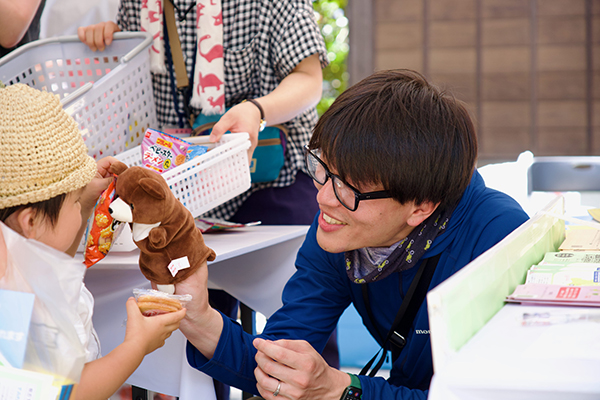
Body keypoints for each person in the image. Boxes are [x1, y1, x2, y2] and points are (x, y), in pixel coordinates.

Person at [173, 69, 530, 399]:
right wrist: (199, 317)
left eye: (351, 188)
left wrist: (343, 389)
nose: (324, 198)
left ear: (422, 206)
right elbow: (278, 363)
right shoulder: (336, 230)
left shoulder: (499, 240)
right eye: (322, 169)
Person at [77, 3, 338, 397]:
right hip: (182, 191)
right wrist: (107, 44)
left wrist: (256, 110)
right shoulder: (137, 5)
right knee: (191, 325)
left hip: (273, 180)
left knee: (307, 311)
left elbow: (309, 80)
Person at [0, 83, 185, 400]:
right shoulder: (11, 304)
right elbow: (64, 393)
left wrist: (83, 205)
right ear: (30, 220)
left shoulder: (19, 253)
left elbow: (51, 250)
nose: (78, 207)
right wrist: (136, 346)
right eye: (72, 201)